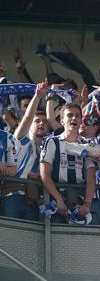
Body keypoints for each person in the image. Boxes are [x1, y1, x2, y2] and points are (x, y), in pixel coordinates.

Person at [40, 103, 96, 223]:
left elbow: (91, 177)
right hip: (56, 199)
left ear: (81, 121)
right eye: (69, 115)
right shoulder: (52, 142)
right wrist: (59, 200)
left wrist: (87, 204)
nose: (74, 118)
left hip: (79, 200)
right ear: (62, 121)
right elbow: (44, 174)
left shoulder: (88, 145)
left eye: (77, 116)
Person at [5, 81, 51, 220]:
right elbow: (26, 118)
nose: (42, 123)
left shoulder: (48, 147)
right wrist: (37, 96)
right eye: (37, 121)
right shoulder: (21, 140)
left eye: (44, 121)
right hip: (13, 197)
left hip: (35, 200)